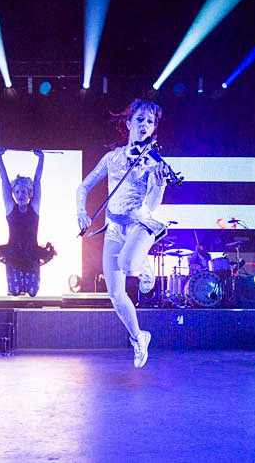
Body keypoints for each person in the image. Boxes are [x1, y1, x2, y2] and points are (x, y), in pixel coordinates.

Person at [77, 99, 168, 368]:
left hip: (140, 224)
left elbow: (151, 206)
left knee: (127, 265)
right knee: (116, 294)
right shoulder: (112, 158)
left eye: (150, 122)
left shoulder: (153, 162)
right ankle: (139, 337)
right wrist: (81, 212)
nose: (144, 125)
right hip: (114, 228)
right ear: (128, 123)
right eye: (140, 119)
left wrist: (160, 185)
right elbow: (83, 187)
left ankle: (144, 264)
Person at [0, 149, 56, 297]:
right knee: (14, 291)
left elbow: (37, 180)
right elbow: (4, 180)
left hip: (31, 254)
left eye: (24, 192)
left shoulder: (34, 207)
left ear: (29, 193)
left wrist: (41, 159)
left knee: (32, 292)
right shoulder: (10, 207)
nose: (20, 195)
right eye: (17, 192)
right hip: (13, 254)